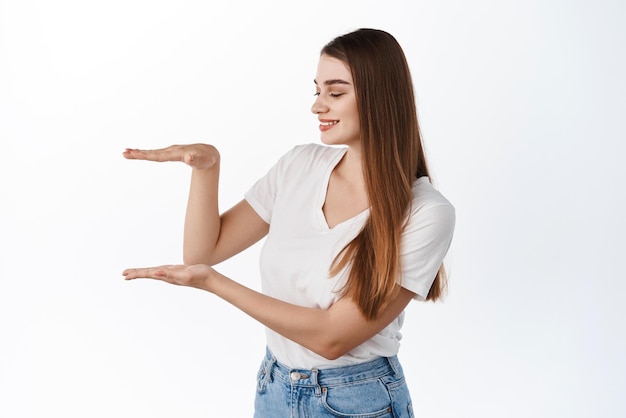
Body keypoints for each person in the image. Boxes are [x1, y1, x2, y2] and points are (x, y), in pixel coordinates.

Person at [122, 28, 455, 418]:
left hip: (356, 401)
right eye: (316, 91)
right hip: (275, 388)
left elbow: (332, 338)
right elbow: (203, 253)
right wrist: (207, 170)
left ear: (381, 97)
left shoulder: (426, 213)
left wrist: (214, 285)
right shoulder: (299, 166)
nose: (317, 107)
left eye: (335, 92)